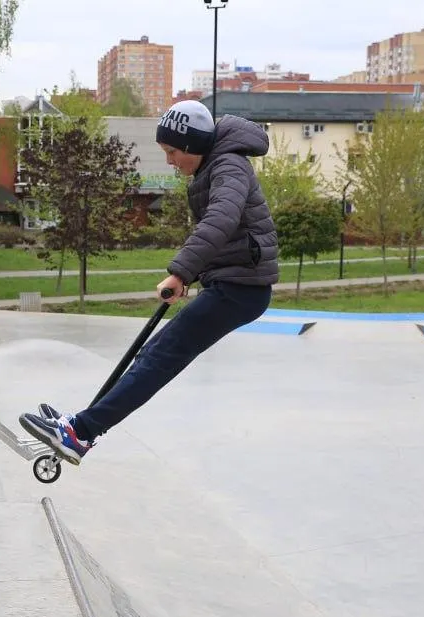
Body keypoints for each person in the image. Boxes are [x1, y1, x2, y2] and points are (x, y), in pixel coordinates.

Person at [18, 99, 279, 464]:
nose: (170, 161)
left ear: (192, 145)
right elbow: (234, 235)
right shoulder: (217, 164)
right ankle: (80, 427)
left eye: (172, 152)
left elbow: (221, 220)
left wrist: (182, 271)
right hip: (232, 284)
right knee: (153, 354)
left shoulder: (229, 166)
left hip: (242, 290)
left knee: (162, 357)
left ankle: (80, 433)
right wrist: (197, 275)